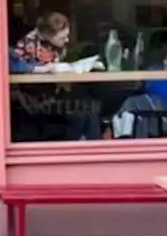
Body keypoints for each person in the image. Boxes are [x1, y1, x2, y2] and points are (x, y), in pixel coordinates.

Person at [9, 13, 102, 141]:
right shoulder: (28, 46)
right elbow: (16, 67)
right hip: (35, 101)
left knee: (89, 106)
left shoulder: (52, 45)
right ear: (49, 34)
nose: (67, 40)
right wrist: (42, 69)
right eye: (63, 37)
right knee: (84, 111)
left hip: (52, 94)